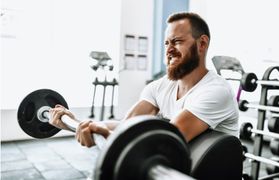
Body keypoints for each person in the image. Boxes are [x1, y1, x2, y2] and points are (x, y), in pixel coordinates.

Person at [49, 12, 239, 147]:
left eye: (177, 41)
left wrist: (106, 134)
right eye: (166, 43)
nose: (169, 49)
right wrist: (75, 124)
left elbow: (163, 143)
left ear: (202, 43)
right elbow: (127, 126)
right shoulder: (159, 87)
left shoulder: (215, 92)